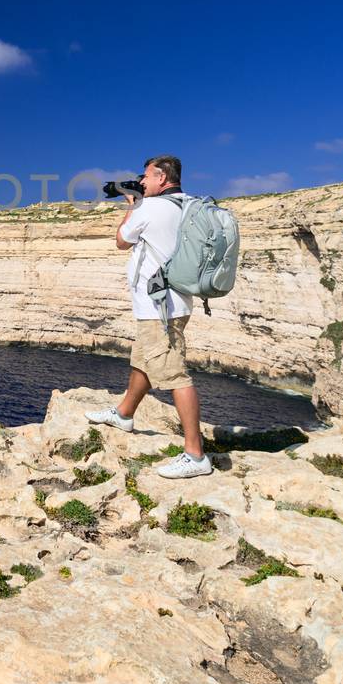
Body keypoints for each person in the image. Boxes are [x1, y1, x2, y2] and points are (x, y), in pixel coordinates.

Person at [84, 154, 213, 479]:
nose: (141, 182)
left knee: (174, 375)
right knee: (143, 360)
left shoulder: (150, 207)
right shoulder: (187, 204)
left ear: (162, 178)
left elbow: (121, 241)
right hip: (175, 303)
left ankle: (195, 455)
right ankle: (125, 414)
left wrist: (133, 203)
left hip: (160, 307)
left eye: (145, 177)